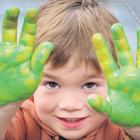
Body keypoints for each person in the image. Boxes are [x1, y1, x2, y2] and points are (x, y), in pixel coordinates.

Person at [0, 0, 140, 139]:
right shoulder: (21, 121)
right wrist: (5, 110)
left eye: (89, 84)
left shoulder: (119, 124)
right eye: (52, 84)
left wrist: (136, 130)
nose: (70, 105)